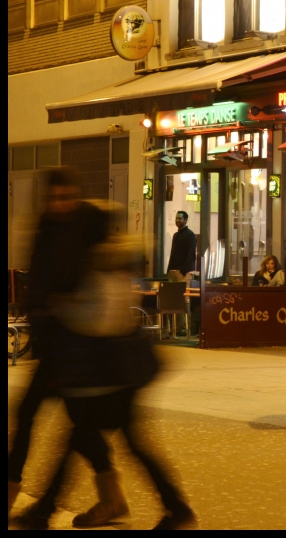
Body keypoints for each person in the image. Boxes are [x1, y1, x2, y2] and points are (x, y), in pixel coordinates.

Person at [21, 206, 196, 530]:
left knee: (80, 443)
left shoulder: (98, 266)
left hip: (102, 379)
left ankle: (43, 513)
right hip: (114, 379)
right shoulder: (112, 261)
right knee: (106, 444)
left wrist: (65, 308)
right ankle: (174, 508)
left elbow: (102, 319)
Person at [8, 168, 107, 520]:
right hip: (56, 346)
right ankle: (111, 498)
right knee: (73, 424)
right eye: (53, 198)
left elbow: (91, 288)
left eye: (66, 197)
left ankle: (27, 497)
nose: (59, 204)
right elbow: (37, 285)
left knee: (75, 426)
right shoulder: (46, 229)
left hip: (78, 348)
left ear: (76, 197)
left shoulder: (87, 228)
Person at [166, 211, 197, 276]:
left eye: (180, 218)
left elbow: (190, 255)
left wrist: (183, 271)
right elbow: (173, 254)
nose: (177, 220)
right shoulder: (175, 235)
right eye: (176, 218)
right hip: (173, 272)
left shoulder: (190, 235)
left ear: (185, 220)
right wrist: (169, 270)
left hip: (184, 273)